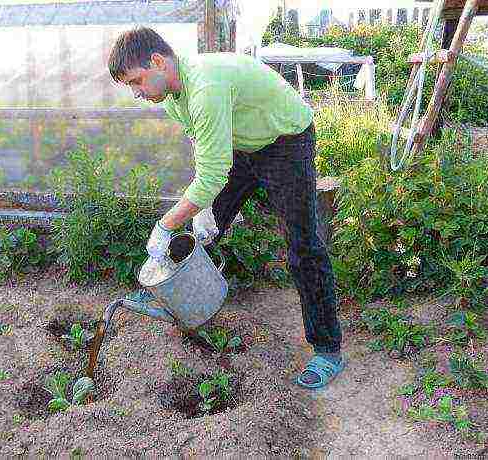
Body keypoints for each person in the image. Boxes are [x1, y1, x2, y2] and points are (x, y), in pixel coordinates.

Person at [108, 27, 343, 389]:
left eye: (137, 81)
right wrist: (203, 210)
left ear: (157, 62)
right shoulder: (172, 95)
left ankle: (327, 349)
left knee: (302, 245)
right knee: (203, 230)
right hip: (242, 143)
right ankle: (185, 302)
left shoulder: (205, 86)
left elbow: (214, 175)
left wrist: (165, 224)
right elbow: (202, 148)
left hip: (285, 141)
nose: (138, 93)